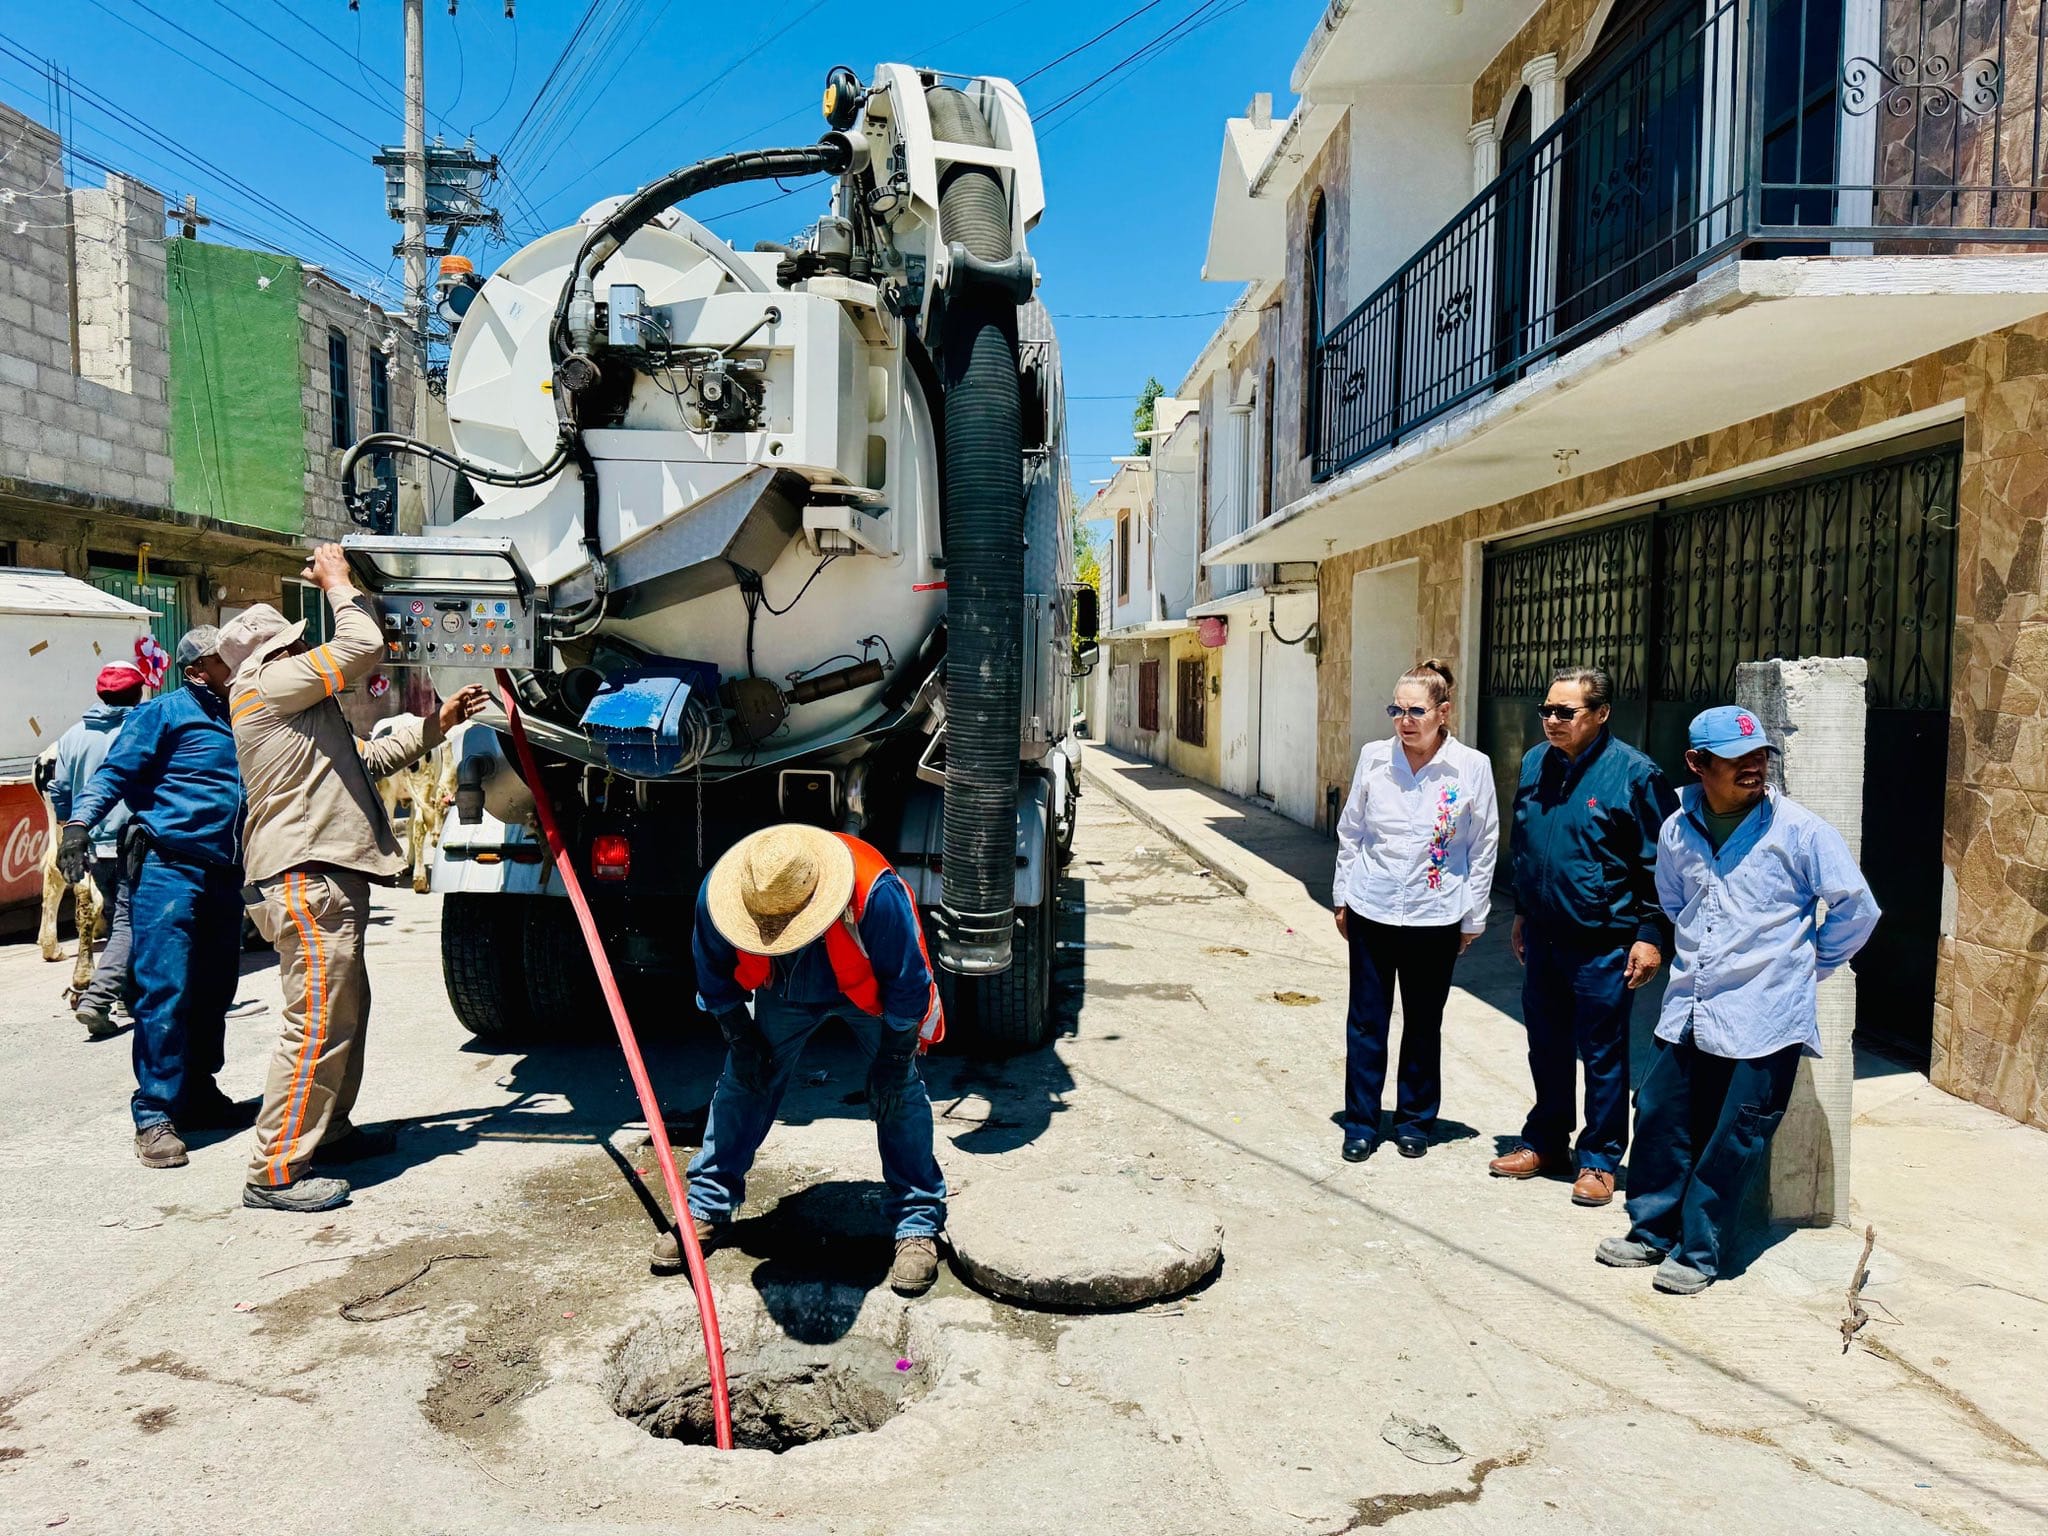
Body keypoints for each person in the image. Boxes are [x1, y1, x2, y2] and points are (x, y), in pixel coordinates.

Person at [216, 544, 488, 1215]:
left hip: (323, 879)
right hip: (308, 878)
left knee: (343, 1016)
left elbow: (367, 760)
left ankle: (328, 1134)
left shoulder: (298, 710)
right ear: (273, 653)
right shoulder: (268, 684)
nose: (301, 650)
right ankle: (275, 1169)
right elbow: (362, 643)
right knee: (315, 1023)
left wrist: (438, 724)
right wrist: (338, 583)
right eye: (292, 643)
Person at [1595, 705, 1879, 1295]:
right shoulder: (1676, 827)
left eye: (1759, 756)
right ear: (1696, 763)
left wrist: (1805, 966)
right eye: (1735, 759)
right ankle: (1650, 1232)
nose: (1753, 767)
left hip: (1765, 1016)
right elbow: (1675, 903)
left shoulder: (1801, 832)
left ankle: (1701, 1252)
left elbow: (1857, 909)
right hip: (1691, 1006)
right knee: (1660, 1118)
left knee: (1733, 1138)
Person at [651, 823, 949, 1296]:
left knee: (900, 1093)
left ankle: (917, 1222)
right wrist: (739, 1035)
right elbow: (713, 972)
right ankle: (707, 1209)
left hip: (866, 988)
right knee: (744, 1084)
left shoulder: (876, 891)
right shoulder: (722, 893)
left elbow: (908, 983)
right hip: (785, 988)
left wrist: (894, 1057)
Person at [1489, 667, 1678, 1206]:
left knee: (1602, 1052)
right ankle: (1546, 1142)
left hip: (1604, 941)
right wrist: (1522, 910)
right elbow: (1528, 841)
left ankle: (1599, 1159)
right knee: (1546, 1045)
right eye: (1546, 710)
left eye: (1565, 712)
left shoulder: (1635, 775)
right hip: (1544, 935)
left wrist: (1650, 934)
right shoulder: (1535, 762)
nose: (1552, 720)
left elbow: (1664, 864)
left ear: (1601, 714)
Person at [58, 628, 246, 1169]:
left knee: (214, 988)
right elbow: (113, 774)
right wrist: (78, 825)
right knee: (165, 988)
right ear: (196, 671)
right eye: (223, 658)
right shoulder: (162, 713)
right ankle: (155, 1113)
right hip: (169, 867)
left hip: (225, 873)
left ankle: (199, 1092)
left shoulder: (245, 713)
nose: (236, 663)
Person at [1331, 659, 1499, 1163]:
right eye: (1396, 710)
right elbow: (1351, 831)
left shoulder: (1471, 767)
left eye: (1416, 711)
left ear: (1443, 712)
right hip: (1373, 907)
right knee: (1367, 1022)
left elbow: (1483, 844)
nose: (1404, 721)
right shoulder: (1374, 758)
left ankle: (1414, 1121)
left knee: (1424, 1023)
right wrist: (1341, 896)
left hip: (1435, 913)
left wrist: (1474, 916)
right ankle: (1361, 1123)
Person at [49, 663, 147, 1038]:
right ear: (138, 693)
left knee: (118, 914)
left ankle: (128, 996)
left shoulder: (71, 736)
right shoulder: (142, 729)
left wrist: (71, 831)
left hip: (91, 845)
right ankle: (98, 998)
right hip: (133, 841)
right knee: (129, 922)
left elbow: (60, 791)